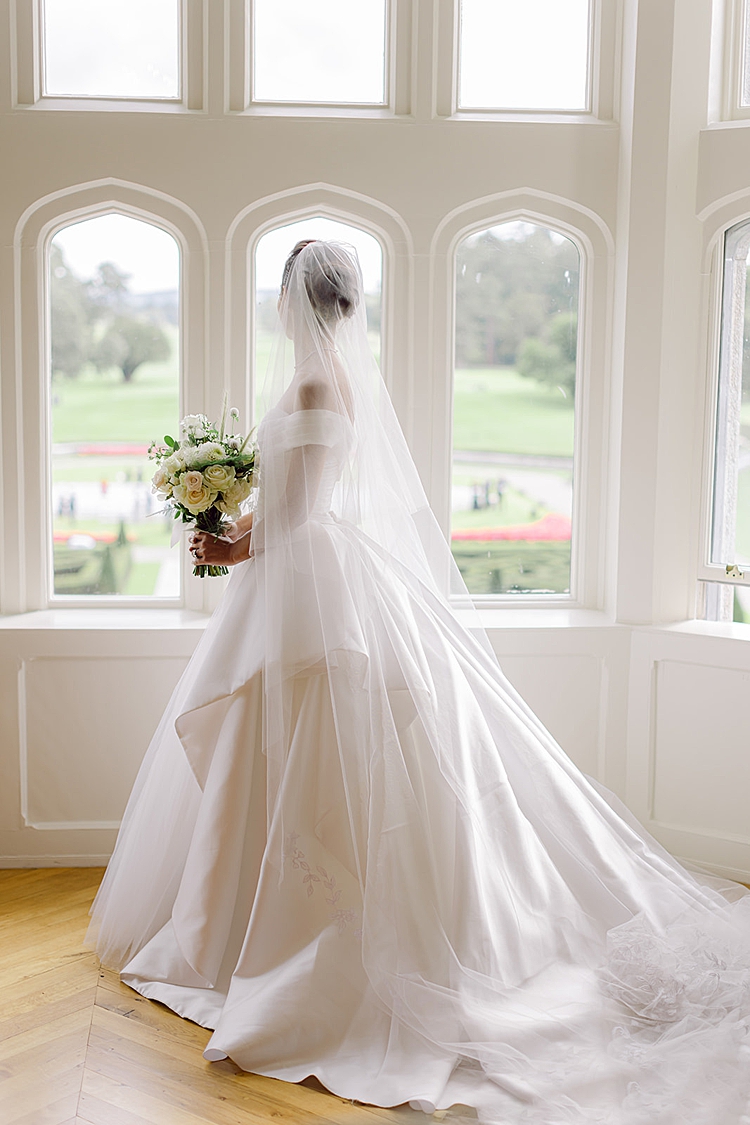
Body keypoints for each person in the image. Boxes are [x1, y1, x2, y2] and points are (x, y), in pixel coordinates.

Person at [87, 241, 750, 1125]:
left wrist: (233, 541)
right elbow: (286, 497)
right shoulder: (319, 383)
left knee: (310, 753)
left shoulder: (322, 388)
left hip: (307, 589)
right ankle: (244, 917)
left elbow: (303, 508)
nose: (276, 308)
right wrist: (236, 519)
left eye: (282, 293)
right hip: (291, 585)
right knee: (268, 746)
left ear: (298, 299)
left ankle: (303, 939)